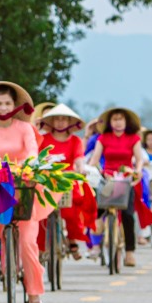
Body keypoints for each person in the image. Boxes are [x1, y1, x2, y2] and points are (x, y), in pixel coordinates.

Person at [0, 81, 47, 303]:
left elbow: (32, 150)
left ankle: (34, 290)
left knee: (27, 241)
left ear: (15, 105)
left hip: (22, 186)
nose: (3, 107)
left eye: (7, 103)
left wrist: (30, 165)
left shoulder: (25, 127)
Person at [86, 107, 145, 268]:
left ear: (126, 122)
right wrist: (90, 170)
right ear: (110, 122)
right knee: (97, 207)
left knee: (127, 215)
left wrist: (138, 170)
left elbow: (139, 159)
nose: (118, 122)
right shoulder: (103, 138)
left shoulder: (133, 139)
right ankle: (97, 233)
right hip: (107, 177)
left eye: (121, 119)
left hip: (126, 178)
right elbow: (95, 159)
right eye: (115, 119)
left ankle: (130, 252)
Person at [37, 104, 95, 257]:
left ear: (70, 122)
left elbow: (79, 158)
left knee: (71, 210)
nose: (60, 123)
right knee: (41, 211)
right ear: (51, 122)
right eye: (57, 119)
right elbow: (37, 157)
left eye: (64, 119)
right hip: (46, 179)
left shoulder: (75, 140)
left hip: (67, 179)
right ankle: (41, 246)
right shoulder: (43, 139)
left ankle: (72, 239)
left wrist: (81, 168)